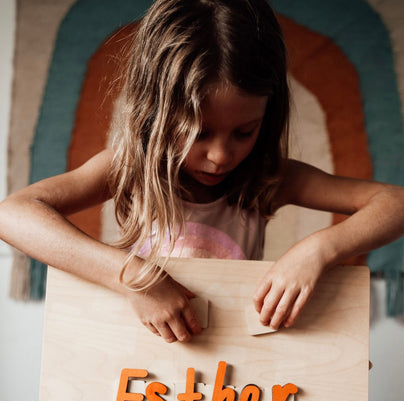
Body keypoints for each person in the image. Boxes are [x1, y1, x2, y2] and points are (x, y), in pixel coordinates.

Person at [1, 0, 404, 344]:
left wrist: (319, 250)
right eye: (198, 133)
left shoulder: (267, 177)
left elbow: (395, 203)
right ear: (156, 113)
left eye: (244, 132)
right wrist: (132, 277)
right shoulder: (130, 168)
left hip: (225, 387)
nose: (220, 156)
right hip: (134, 382)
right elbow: (13, 213)